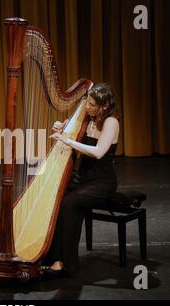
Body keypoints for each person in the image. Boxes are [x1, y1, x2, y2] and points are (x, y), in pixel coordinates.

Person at [43, 83, 120, 277]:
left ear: (103, 106)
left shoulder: (111, 122)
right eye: (87, 103)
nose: (87, 107)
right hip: (83, 178)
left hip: (102, 182)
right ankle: (51, 256)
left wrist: (67, 140)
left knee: (71, 203)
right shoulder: (87, 118)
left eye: (92, 105)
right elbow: (71, 133)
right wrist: (62, 129)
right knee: (57, 198)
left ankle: (67, 263)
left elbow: (98, 152)